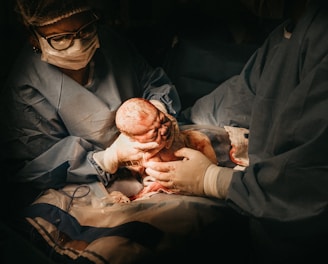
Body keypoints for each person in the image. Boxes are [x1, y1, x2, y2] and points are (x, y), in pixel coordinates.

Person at [144, 0, 328, 262]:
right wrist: (172, 122)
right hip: (267, 232)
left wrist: (212, 180)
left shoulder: (321, 40)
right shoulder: (285, 36)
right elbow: (239, 98)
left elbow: (309, 182)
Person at [0, 0, 180, 222]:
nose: (77, 44)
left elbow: (153, 83)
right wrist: (107, 159)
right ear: (32, 35)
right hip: (88, 184)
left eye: (85, 30)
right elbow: (36, 171)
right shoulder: (25, 87)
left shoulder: (110, 43)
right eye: (60, 38)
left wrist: (158, 111)